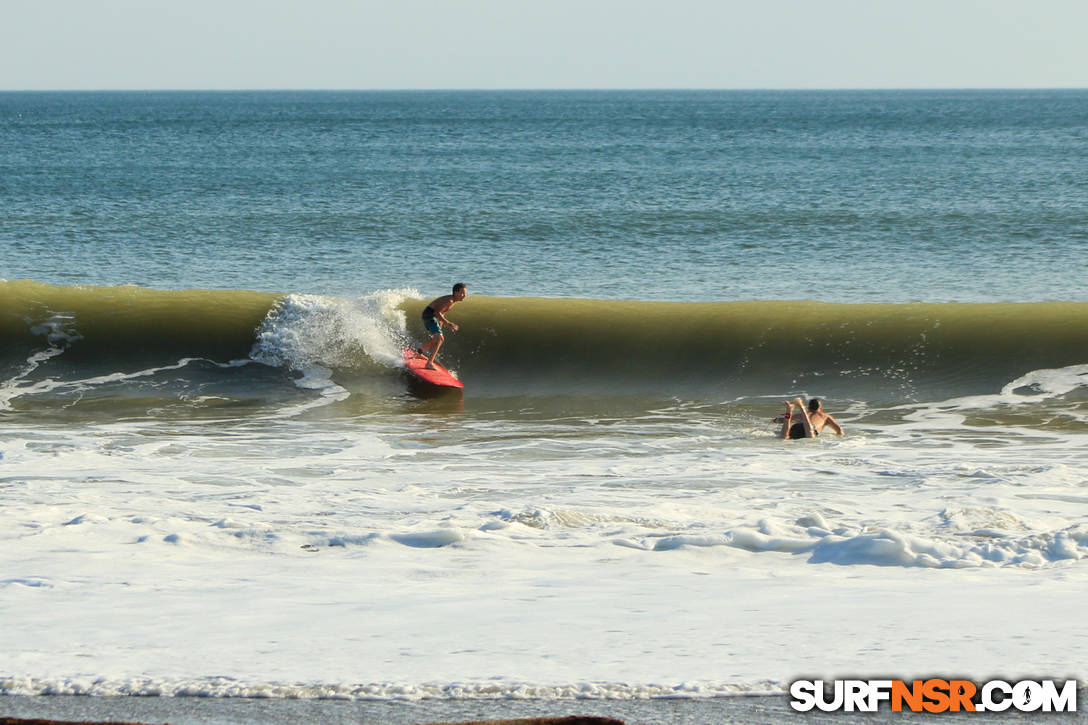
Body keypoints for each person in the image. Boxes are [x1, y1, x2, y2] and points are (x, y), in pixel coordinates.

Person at [418, 283, 467, 369]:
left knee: (436, 339)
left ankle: (419, 353)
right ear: (455, 292)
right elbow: (437, 312)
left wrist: (440, 324)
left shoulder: (453, 301)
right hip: (429, 315)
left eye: (465, 293)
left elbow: (441, 313)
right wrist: (448, 323)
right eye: (462, 293)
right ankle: (429, 363)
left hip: (431, 316)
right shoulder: (449, 300)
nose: (464, 296)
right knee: (440, 339)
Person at [776, 397, 843, 439]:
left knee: (784, 437)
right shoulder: (825, 416)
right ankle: (801, 406)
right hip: (809, 428)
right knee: (810, 437)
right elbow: (839, 430)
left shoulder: (799, 415)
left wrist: (776, 420)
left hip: (796, 427)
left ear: (808, 408)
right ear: (820, 408)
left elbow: (783, 420)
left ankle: (789, 411)